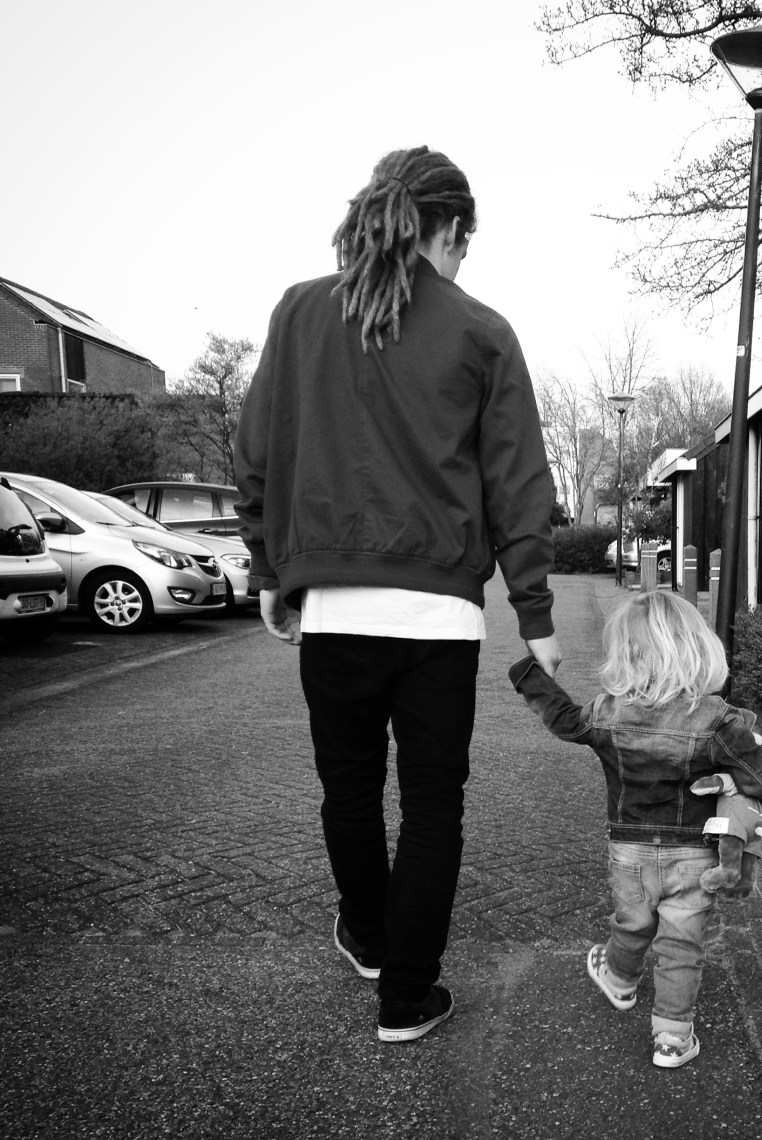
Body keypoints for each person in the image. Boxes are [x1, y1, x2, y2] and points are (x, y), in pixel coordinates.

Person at [234, 146, 561, 1044]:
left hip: (334, 612)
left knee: (347, 790)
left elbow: (258, 454)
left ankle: (372, 941)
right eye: (464, 245)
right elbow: (518, 483)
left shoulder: (300, 312)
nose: (461, 264)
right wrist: (534, 612)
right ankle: (406, 998)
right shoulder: (482, 330)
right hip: (440, 622)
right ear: (447, 227)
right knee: (432, 805)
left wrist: (271, 571)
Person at [509, 590, 762, 1068]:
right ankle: (673, 1039)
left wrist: (529, 674)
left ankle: (619, 980)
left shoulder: (606, 711)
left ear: (625, 655)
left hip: (630, 852)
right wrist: (731, 779)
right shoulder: (718, 719)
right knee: (681, 943)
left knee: (634, 922)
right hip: (696, 855)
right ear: (699, 648)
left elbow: (564, 720)